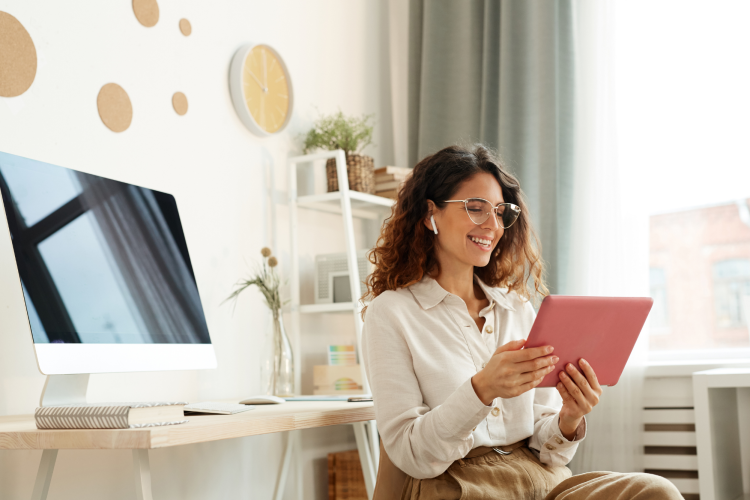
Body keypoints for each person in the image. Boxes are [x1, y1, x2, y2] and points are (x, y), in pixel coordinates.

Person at [360, 145, 681, 499]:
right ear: (428, 214)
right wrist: (482, 389)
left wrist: (569, 418)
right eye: (476, 208)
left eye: (500, 212)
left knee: (655, 491)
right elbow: (411, 454)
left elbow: (548, 446)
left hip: (539, 479)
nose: (493, 225)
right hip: (455, 484)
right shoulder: (391, 313)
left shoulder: (516, 309)